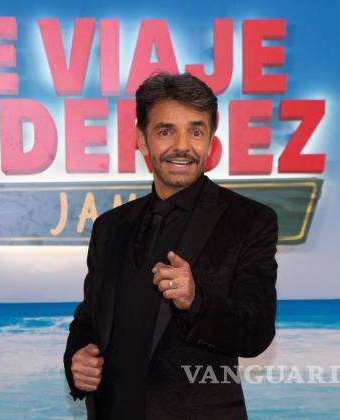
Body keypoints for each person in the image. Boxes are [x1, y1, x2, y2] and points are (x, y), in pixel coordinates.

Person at [63, 72, 278, 420]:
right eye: (166, 131)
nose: (182, 146)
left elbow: (256, 332)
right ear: (142, 140)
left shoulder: (249, 221)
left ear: (210, 141)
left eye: (196, 131)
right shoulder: (109, 227)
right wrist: (78, 357)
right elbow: (88, 319)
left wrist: (196, 300)